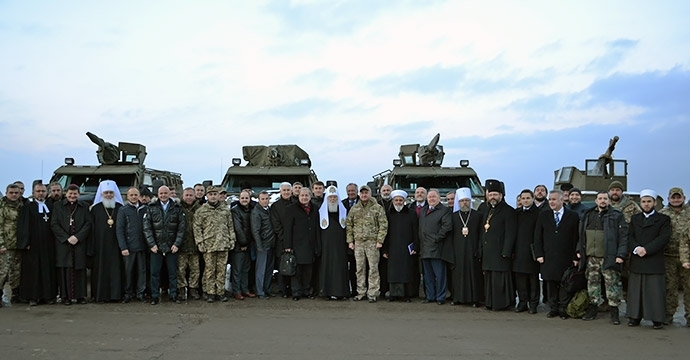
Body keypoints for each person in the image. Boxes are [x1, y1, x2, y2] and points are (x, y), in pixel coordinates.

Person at [577, 191, 628, 324]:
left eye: (605, 198)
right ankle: (593, 308)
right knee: (592, 284)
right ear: (596, 201)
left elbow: (623, 237)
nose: (602, 201)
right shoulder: (588, 214)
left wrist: (620, 254)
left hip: (609, 257)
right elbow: (581, 235)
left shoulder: (616, 216)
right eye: (600, 198)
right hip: (591, 257)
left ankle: (614, 311)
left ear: (609, 201)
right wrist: (579, 250)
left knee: (612, 285)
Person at [627, 189, 670, 329]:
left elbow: (663, 238)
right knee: (635, 291)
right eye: (644, 202)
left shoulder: (663, 219)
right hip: (637, 258)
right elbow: (629, 236)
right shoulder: (635, 219)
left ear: (655, 203)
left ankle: (657, 319)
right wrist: (636, 248)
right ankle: (635, 317)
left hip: (654, 259)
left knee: (655, 291)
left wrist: (647, 249)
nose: (646, 204)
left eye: (649, 201)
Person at [534, 190, 580, 319]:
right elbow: (537, 236)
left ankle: (563, 309)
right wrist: (539, 254)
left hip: (566, 256)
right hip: (548, 256)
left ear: (562, 200)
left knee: (565, 284)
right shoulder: (544, 215)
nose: (551, 202)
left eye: (554, 199)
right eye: (550, 200)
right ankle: (553, 308)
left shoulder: (573, 216)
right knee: (551, 284)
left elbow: (576, 238)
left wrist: (575, 257)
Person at [143, 185, 186, 305]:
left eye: (165, 193)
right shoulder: (151, 208)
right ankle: (155, 296)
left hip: (172, 246)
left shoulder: (177, 208)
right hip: (156, 247)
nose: (163, 195)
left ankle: (173, 294)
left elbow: (181, 228)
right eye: (161, 193)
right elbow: (147, 228)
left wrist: (177, 244)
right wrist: (152, 244)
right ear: (158, 194)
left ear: (169, 194)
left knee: (173, 273)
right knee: (154, 273)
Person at [51, 184, 92, 305]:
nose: (72, 196)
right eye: (70, 193)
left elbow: (88, 224)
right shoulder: (58, 206)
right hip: (64, 244)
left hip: (79, 243)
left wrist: (77, 237)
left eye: (75, 194)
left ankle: (81, 296)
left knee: (80, 269)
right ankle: (65, 297)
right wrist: (66, 238)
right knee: (65, 270)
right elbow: (54, 224)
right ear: (66, 194)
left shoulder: (84, 206)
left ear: (78, 194)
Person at [346, 185, 388, 302]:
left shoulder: (377, 208)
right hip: (358, 243)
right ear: (359, 194)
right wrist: (350, 241)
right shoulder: (354, 209)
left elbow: (383, 225)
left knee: (373, 268)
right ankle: (361, 292)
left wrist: (380, 241)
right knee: (359, 269)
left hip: (372, 243)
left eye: (366, 193)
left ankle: (373, 293)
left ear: (370, 194)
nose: (364, 195)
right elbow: (349, 225)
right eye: (362, 193)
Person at [17, 183, 56, 306]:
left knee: (48, 270)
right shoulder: (27, 208)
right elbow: (23, 227)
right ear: (33, 193)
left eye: (43, 191)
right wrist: (25, 242)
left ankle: (48, 296)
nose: (40, 193)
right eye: (38, 191)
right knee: (33, 271)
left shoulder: (52, 206)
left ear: (47, 192)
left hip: (49, 245)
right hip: (32, 245)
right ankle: (33, 297)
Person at [195, 186, 235, 303]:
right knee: (209, 269)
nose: (213, 196)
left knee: (221, 269)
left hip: (223, 244)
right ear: (207, 196)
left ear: (218, 196)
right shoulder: (201, 211)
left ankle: (220, 292)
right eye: (210, 194)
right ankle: (210, 292)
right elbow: (197, 228)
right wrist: (200, 242)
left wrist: (232, 239)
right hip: (209, 245)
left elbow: (230, 226)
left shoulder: (225, 210)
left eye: (215, 194)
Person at [481, 179, 516, 311]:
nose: (493, 197)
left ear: (501, 195)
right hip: (489, 252)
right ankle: (490, 303)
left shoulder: (508, 211)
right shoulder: (488, 210)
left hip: (501, 252)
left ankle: (501, 304)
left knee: (499, 279)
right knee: (489, 279)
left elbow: (510, 233)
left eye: (495, 195)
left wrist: (506, 251)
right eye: (490, 195)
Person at [659, 187, 690, 326]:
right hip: (668, 256)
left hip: (687, 257)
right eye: (673, 197)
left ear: (683, 198)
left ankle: (689, 315)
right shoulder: (662, 214)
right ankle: (668, 313)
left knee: (688, 287)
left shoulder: (689, 212)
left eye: (678, 197)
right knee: (669, 287)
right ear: (668, 199)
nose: (676, 200)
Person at [90, 180, 124, 302]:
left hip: (116, 245)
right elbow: (91, 229)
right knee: (101, 271)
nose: (108, 195)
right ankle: (101, 295)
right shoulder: (95, 209)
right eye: (106, 193)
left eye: (111, 192)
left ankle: (116, 295)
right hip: (100, 246)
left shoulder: (120, 208)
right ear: (101, 194)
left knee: (116, 270)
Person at [450, 187, 484, 307]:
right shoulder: (453, 216)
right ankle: (457, 298)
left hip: (472, 249)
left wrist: (479, 249)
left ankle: (474, 299)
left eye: (467, 200)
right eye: (462, 201)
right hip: (458, 250)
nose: (465, 203)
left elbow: (481, 234)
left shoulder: (478, 215)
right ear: (458, 202)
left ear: (470, 201)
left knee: (473, 275)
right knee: (458, 276)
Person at [284, 188, 320, 301]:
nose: (304, 197)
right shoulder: (291, 209)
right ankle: (296, 292)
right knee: (296, 271)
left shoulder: (315, 209)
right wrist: (287, 246)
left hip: (310, 244)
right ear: (298, 197)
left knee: (308, 271)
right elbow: (287, 228)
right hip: (297, 245)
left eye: (306, 195)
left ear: (310, 196)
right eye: (302, 195)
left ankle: (306, 290)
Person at [383, 189, 419, 302]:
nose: (398, 202)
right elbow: (385, 233)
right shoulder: (388, 214)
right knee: (393, 272)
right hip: (392, 247)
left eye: (400, 200)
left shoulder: (411, 213)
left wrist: (416, 247)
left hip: (406, 247)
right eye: (396, 200)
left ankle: (406, 295)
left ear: (404, 201)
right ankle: (393, 294)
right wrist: (385, 249)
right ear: (393, 201)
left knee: (406, 271)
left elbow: (416, 231)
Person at [418, 189, 453, 305]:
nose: (431, 199)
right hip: (424, 248)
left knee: (440, 275)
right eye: (429, 197)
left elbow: (447, 226)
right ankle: (430, 296)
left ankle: (440, 297)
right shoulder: (423, 211)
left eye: (434, 197)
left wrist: (436, 238)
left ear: (439, 198)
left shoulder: (444, 210)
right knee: (428, 276)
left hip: (437, 248)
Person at [116, 187, 148, 303]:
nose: (134, 197)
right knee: (128, 272)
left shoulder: (145, 209)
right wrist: (123, 247)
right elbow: (119, 230)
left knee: (142, 272)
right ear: (127, 197)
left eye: (136, 195)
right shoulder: (123, 210)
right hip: (129, 247)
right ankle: (128, 293)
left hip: (142, 247)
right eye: (131, 195)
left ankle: (140, 293)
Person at [317, 186, 349, 299]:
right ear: (327, 199)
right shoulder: (320, 213)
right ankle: (326, 292)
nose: (332, 199)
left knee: (340, 268)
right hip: (326, 247)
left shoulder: (344, 212)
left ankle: (341, 292)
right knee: (326, 268)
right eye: (330, 197)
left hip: (340, 247)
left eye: (335, 197)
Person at [512, 189, 540, 314]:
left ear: (533, 198)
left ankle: (533, 304)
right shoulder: (516, 214)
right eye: (523, 198)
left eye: (528, 198)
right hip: (518, 251)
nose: (525, 200)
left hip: (532, 251)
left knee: (533, 280)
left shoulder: (539, 213)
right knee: (520, 279)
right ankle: (522, 302)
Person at [0, 183, 24, 304]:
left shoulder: (22, 205)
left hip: (18, 244)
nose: (14, 195)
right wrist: (1, 244)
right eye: (11, 193)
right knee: (3, 271)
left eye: (16, 193)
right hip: (6, 245)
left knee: (16, 271)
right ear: (6, 193)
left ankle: (15, 295)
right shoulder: (2, 206)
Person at [177, 188, 201, 300]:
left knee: (195, 270)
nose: (189, 197)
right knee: (180, 270)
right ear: (183, 196)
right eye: (187, 195)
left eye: (191, 195)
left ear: (194, 196)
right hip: (181, 245)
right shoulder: (177, 208)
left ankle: (193, 289)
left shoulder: (200, 209)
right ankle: (181, 289)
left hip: (195, 244)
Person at [270, 182, 294, 297]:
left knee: (293, 266)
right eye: (284, 190)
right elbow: (276, 225)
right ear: (280, 191)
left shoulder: (296, 203)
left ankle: (292, 289)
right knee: (282, 267)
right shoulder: (275, 206)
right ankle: (283, 290)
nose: (286, 192)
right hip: (281, 241)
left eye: (288, 190)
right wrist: (285, 240)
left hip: (295, 241)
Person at [230, 189, 255, 300]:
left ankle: (245, 289)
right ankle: (237, 291)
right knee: (237, 269)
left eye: (246, 198)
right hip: (239, 245)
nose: (244, 200)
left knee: (246, 269)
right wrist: (243, 242)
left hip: (248, 244)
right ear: (239, 199)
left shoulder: (251, 210)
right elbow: (238, 229)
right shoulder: (235, 211)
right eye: (242, 198)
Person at [251, 191, 276, 299]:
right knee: (261, 270)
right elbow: (255, 231)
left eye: (267, 199)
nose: (265, 201)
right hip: (263, 245)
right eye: (263, 199)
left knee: (269, 270)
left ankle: (267, 289)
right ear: (259, 200)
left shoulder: (269, 210)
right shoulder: (256, 212)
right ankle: (260, 292)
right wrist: (259, 246)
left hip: (271, 244)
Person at [341, 182, 360, 297]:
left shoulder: (362, 203)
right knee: (348, 268)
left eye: (353, 191)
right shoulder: (342, 204)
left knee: (359, 268)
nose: (351, 193)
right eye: (349, 191)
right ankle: (347, 290)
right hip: (346, 241)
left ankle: (358, 290)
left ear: (357, 191)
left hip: (360, 241)